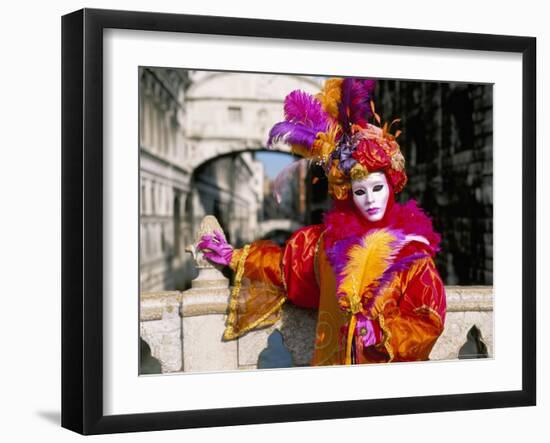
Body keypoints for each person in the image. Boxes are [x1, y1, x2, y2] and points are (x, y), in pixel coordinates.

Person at [198, 77, 446, 365]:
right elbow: (286, 269)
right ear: (347, 193)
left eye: (378, 188)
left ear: (392, 185)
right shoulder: (327, 244)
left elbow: (428, 318)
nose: (370, 200)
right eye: (360, 191)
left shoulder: (412, 253)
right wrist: (234, 256)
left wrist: (382, 332)